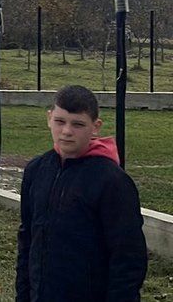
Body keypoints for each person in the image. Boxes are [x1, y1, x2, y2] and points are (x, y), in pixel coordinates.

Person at [16, 85, 147, 301]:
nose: (66, 131)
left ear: (95, 127)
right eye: (60, 121)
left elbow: (128, 257)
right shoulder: (37, 170)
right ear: (49, 118)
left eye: (78, 124)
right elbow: (27, 238)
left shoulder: (112, 181)